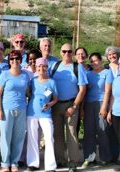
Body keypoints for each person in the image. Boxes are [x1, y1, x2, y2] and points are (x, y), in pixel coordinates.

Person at [50, 43, 88, 172]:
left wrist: (74, 106)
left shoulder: (78, 67)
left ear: (73, 53)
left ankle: (73, 162)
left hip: (71, 104)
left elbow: (82, 89)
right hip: (56, 105)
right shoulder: (55, 66)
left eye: (69, 51)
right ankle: (60, 160)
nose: (67, 54)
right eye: (64, 51)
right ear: (60, 52)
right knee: (58, 134)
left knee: (72, 134)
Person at [0, 50, 30, 172]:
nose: (14, 61)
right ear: (9, 61)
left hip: (21, 109)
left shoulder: (25, 75)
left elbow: (28, 92)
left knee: (18, 137)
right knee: (5, 137)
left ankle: (14, 162)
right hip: (6, 110)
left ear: (21, 60)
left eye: (17, 59)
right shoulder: (4, 74)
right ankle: (5, 163)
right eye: (12, 59)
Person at [81, 52, 112, 168]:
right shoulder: (88, 74)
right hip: (89, 104)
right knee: (89, 132)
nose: (94, 63)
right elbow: (84, 92)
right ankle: (89, 158)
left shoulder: (107, 73)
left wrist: (104, 107)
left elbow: (108, 91)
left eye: (96, 60)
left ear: (101, 61)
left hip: (101, 103)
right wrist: (82, 109)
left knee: (102, 131)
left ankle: (105, 157)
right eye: (91, 61)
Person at [26, 58, 58, 172]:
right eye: (39, 66)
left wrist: (49, 104)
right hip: (31, 112)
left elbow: (55, 98)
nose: (41, 68)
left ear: (47, 67)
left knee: (49, 138)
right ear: (36, 67)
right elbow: (27, 94)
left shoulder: (52, 82)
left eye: (43, 66)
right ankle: (33, 163)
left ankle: (50, 166)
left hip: (46, 114)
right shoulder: (32, 80)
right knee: (32, 138)